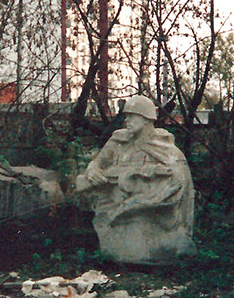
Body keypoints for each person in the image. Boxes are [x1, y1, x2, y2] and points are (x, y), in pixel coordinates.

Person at [77, 95, 196, 263]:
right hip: (115, 208)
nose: (127, 120)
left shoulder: (166, 148)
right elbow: (97, 162)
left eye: (132, 116)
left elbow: (178, 182)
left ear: (146, 118)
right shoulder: (118, 140)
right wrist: (92, 171)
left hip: (149, 215)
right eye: (126, 116)